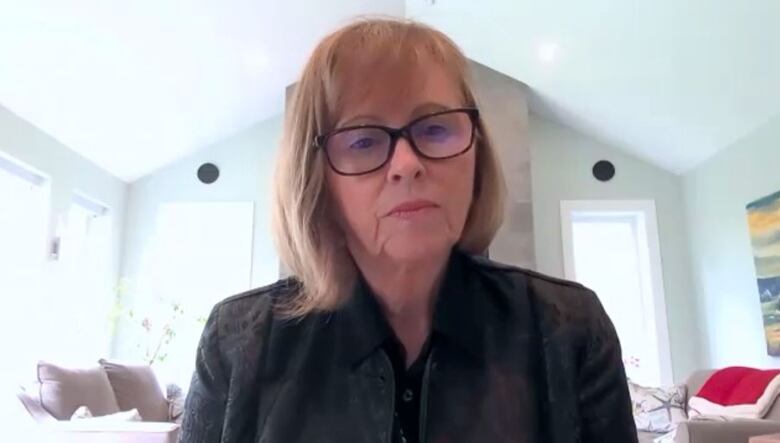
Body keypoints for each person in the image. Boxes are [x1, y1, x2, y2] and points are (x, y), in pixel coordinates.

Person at [180, 17, 637, 443]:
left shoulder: (568, 329)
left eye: (436, 129)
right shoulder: (239, 342)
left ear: (476, 155)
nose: (407, 165)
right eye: (363, 139)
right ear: (316, 177)